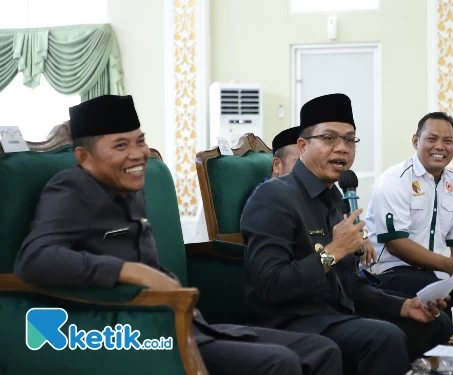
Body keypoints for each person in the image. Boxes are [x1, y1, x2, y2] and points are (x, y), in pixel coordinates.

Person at [13, 95, 343, 375]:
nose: (137, 154)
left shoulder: (130, 189)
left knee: (321, 350)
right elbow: (35, 259)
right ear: (84, 157)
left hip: (184, 322)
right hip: (131, 333)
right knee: (280, 362)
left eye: (140, 141)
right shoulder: (71, 188)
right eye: (120, 145)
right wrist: (130, 272)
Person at [241, 94, 453, 375]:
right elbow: (270, 286)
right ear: (303, 146)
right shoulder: (273, 196)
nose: (342, 148)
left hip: (334, 315)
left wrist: (403, 306)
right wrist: (335, 250)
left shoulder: (336, 198)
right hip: (289, 320)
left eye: (349, 140)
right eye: (329, 138)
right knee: (382, 338)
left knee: (433, 323)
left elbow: (350, 285)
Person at [363, 111, 453, 331]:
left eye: (447, 141)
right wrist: (448, 267)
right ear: (416, 141)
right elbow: (396, 243)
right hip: (390, 272)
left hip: (436, 272)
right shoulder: (394, 181)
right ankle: (443, 357)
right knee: (439, 295)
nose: (440, 146)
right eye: (432, 139)